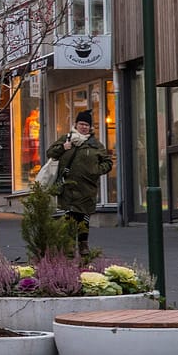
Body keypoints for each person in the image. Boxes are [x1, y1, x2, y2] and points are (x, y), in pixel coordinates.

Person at [46, 110, 114, 258]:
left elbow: (108, 162)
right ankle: (69, 246)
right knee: (70, 216)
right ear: (75, 124)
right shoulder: (67, 139)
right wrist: (63, 148)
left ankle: (83, 244)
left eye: (87, 125)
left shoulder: (95, 145)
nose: (84, 127)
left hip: (87, 188)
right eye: (81, 124)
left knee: (83, 217)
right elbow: (50, 153)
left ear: (90, 128)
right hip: (68, 187)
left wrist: (96, 171)